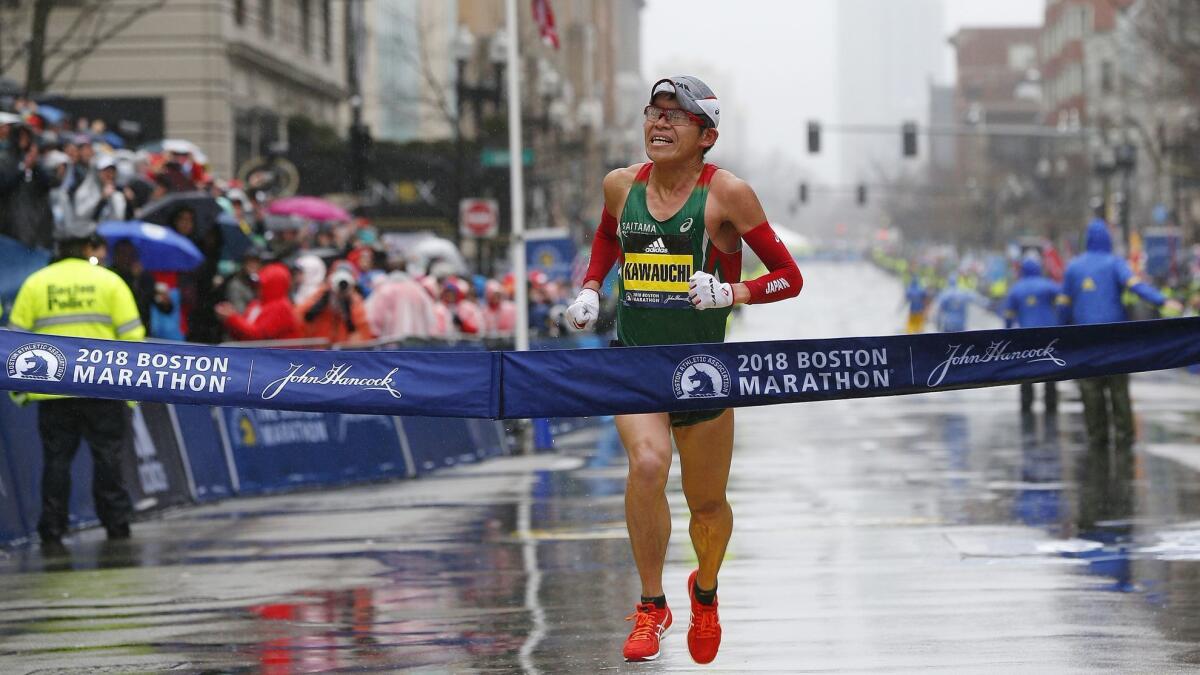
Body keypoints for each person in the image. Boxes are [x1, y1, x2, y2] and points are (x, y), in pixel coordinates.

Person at [565, 76, 802, 664]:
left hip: (703, 369)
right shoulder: (621, 185)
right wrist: (593, 286)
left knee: (707, 503)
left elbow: (789, 277)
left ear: (706, 137)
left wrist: (732, 292)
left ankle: (705, 592)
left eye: (676, 118)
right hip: (636, 361)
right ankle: (651, 606)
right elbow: (605, 233)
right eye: (653, 113)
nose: (659, 125)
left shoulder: (729, 195)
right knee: (647, 463)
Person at [7, 231, 144, 550]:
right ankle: (116, 522)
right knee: (107, 457)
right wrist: (132, 388)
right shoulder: (108, 282)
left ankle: (52, 528)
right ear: (86, 249)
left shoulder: (36, 284)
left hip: (53, 389)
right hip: (103, 386)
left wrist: (20, 389)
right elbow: (132, 337)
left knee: (56, 461)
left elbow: (14, 340)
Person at [1059, 217, 1182, 448]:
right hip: (1115, 341)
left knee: (1091, 391)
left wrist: (1061, 337)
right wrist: (1164, 301)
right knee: (1118, 390)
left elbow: (1064, 306)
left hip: (1085, 343)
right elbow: (1136, 286)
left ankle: (1098, 440)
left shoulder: (1073, 267)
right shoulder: (1114, 263)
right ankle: (1125, 439)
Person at [1004, 256, 1063, 412]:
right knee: (1051, 370)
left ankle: (1026, 404)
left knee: (1026, 372)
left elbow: (1009, 315)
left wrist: (1008, 334)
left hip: (1026, 337)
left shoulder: (1016, 289)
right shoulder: (1048, 286)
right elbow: (1064, 300)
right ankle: (1051, 404)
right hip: (1049, 335)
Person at [215, 262, 301, 341]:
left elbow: (258, 336)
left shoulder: (281, 308)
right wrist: (229, 320)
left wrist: (232, 318)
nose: (257, 286)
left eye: (262, 283)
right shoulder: (256, 304)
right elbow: (244, 335)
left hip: (275, 356)